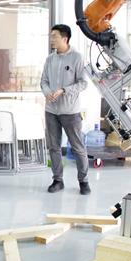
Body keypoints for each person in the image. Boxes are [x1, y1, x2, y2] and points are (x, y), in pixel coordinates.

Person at [40, 24, 90, 195]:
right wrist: (47, 92)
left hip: (70, 112)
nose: (51, 39)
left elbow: (83, 83)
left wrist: (64, 90)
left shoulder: (77, 57)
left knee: (77, 147)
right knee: (53, 147)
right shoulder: (50, 59)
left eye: (54, 36)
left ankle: (84, 181)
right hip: (51, 111)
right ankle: (57, 180)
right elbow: (43, 81)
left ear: (65, 38)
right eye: (51, 36)